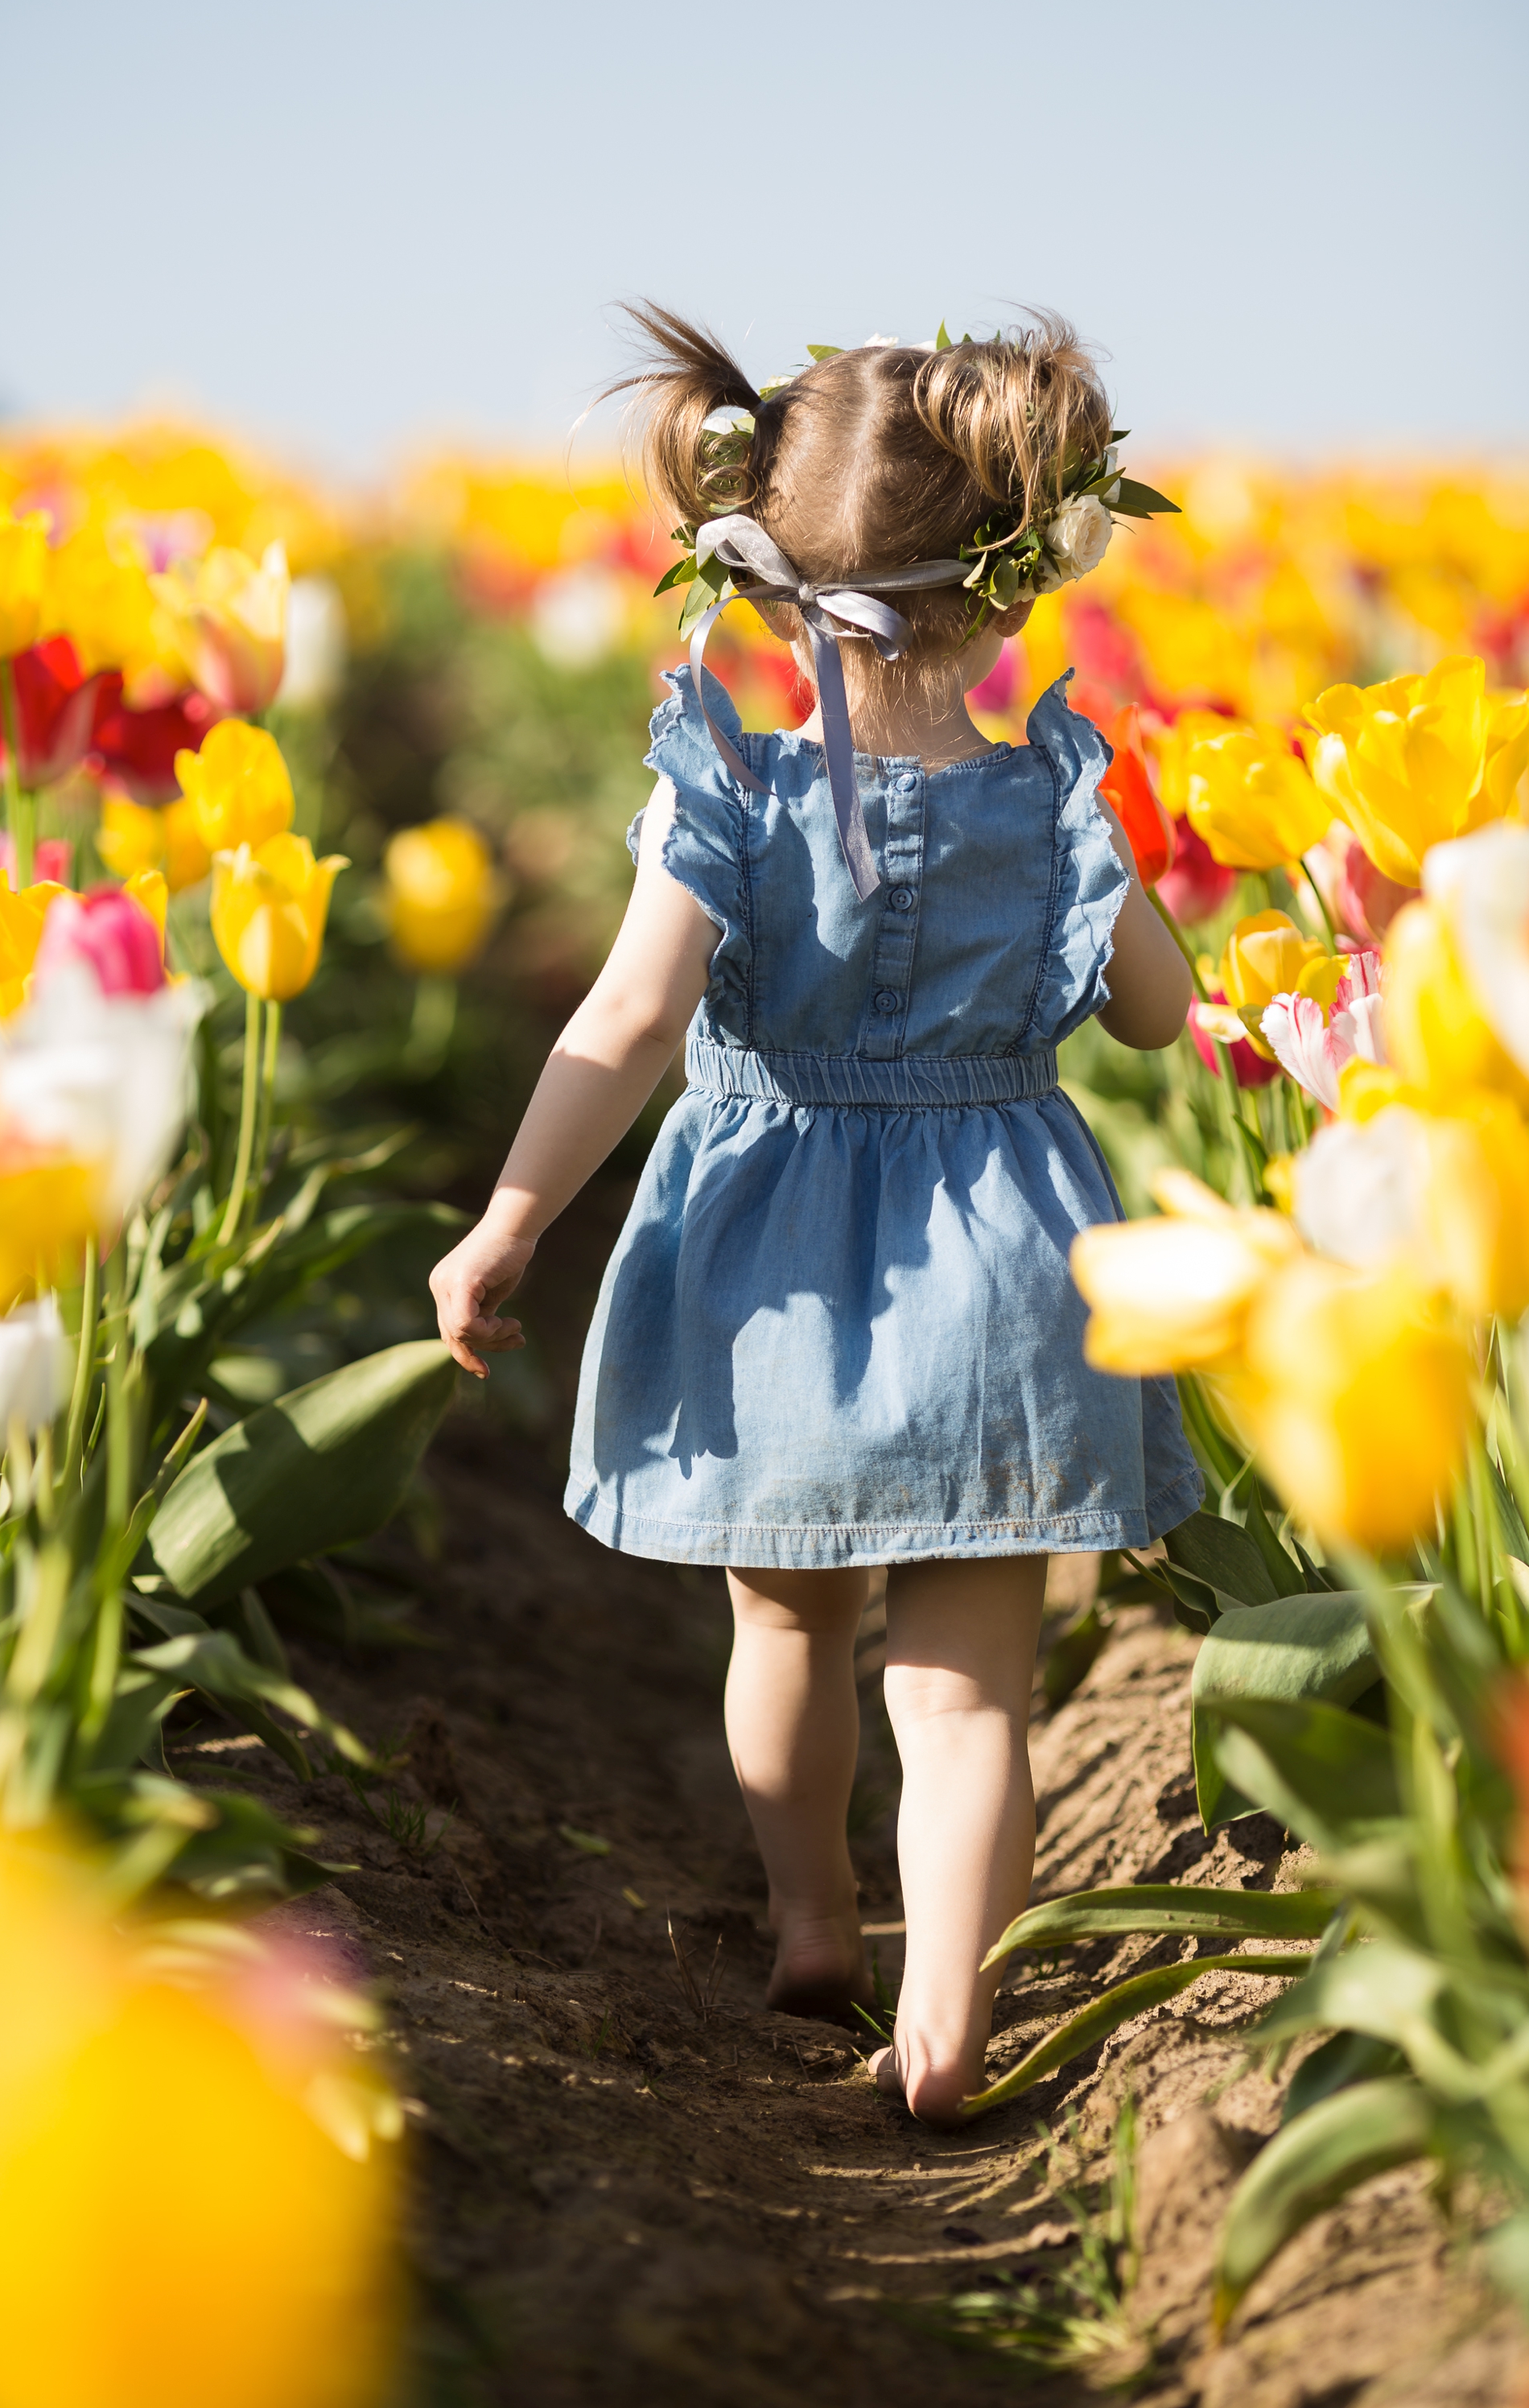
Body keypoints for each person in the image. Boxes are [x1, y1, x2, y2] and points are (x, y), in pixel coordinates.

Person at [430, 308, 1200, 2126]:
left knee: (782, 1635)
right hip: (1004, 1285)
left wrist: (510, 1217)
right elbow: (1161, 1018)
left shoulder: (723, 792)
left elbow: (623, 1024)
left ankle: (810, 1917)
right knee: (967, 1701)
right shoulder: (1056, 792)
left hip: (767, 1279)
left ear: (764, 585)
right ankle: (946, 2016)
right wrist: (1105, 858)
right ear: (1015, 585)